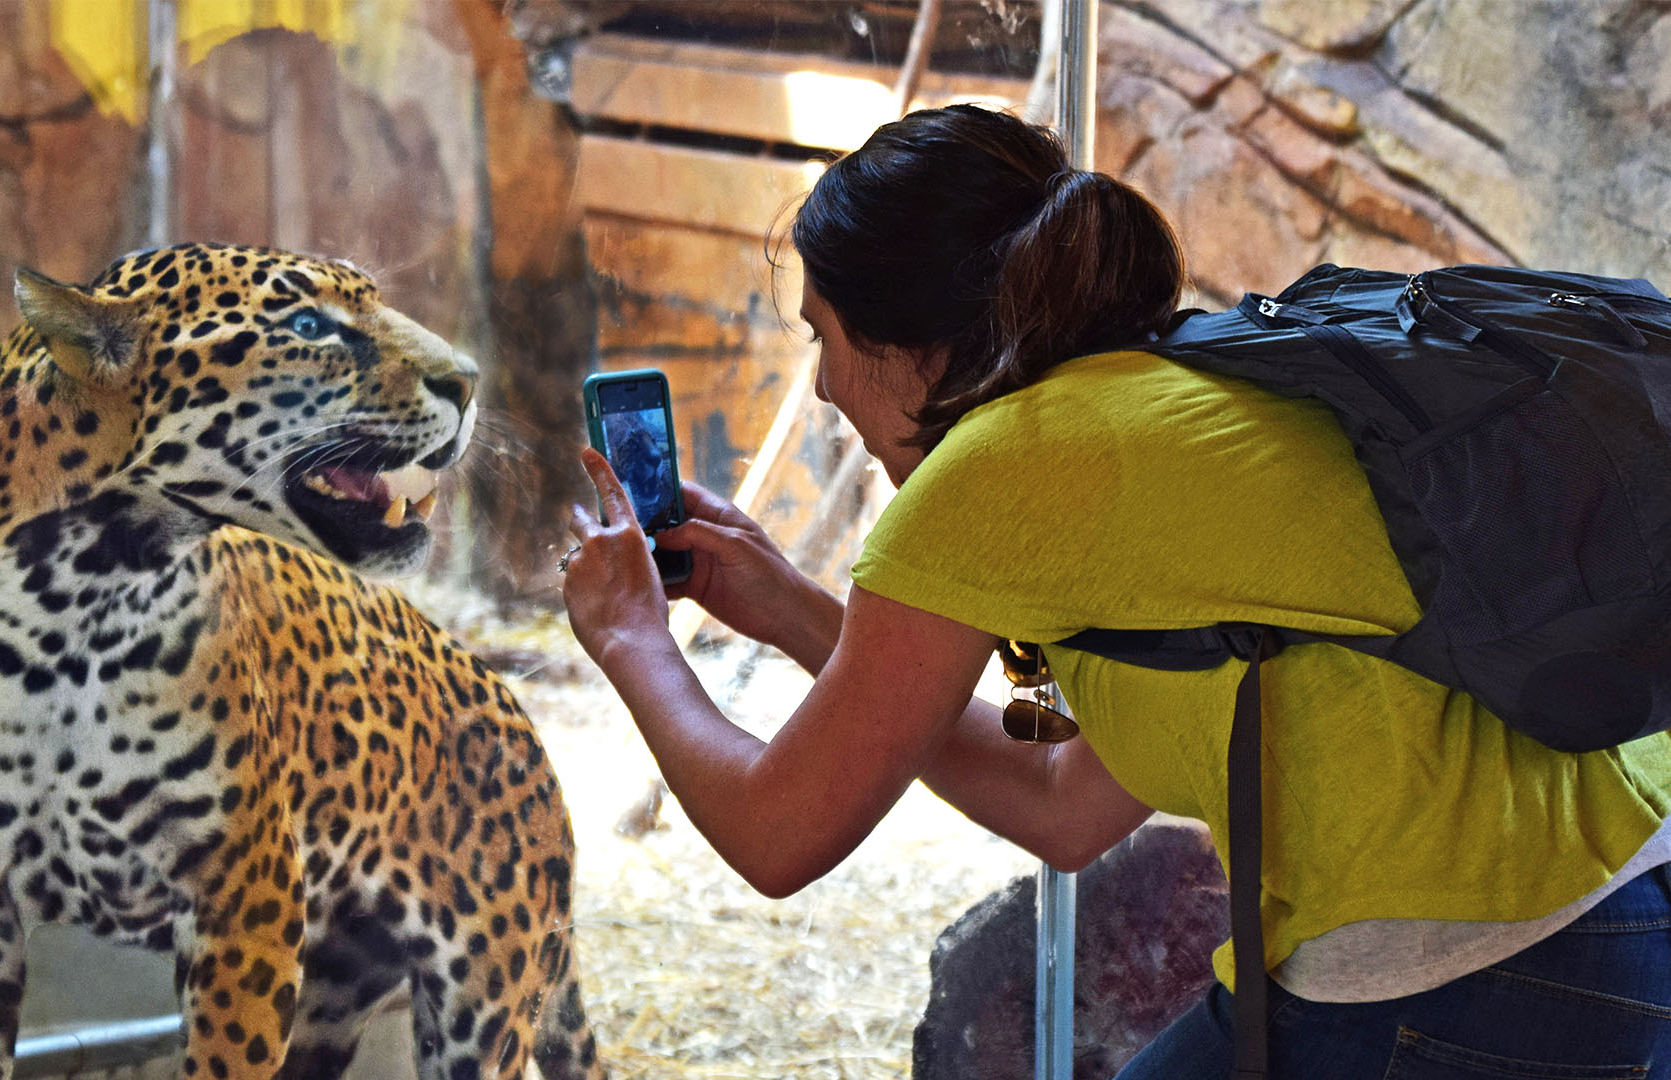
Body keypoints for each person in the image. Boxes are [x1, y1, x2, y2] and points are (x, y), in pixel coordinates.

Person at [556, 104, 1671, 1077]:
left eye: (823, 336)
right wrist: (800, 613)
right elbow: (1063, 792)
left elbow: (776, 832)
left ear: (904, 346)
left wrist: (631, 639)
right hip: (1596, 918)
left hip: (1466, 969)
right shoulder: (1143, 394)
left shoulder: (997, 469)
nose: (825, 385)